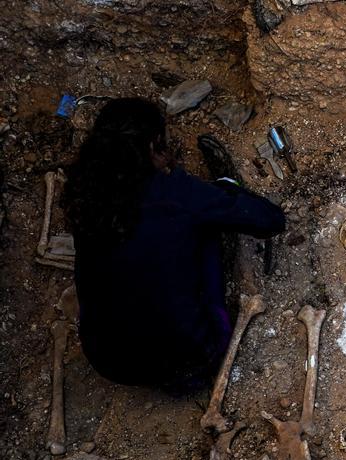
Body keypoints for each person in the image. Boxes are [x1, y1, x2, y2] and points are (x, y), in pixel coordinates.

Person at [63, 97, 284, 392]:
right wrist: (221, 190)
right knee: (206, 228)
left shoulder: (84, 195)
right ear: (155, 146)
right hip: (191, 363)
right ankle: (225, 184)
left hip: (110, 363)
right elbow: (270, 220)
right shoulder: (176, 194)